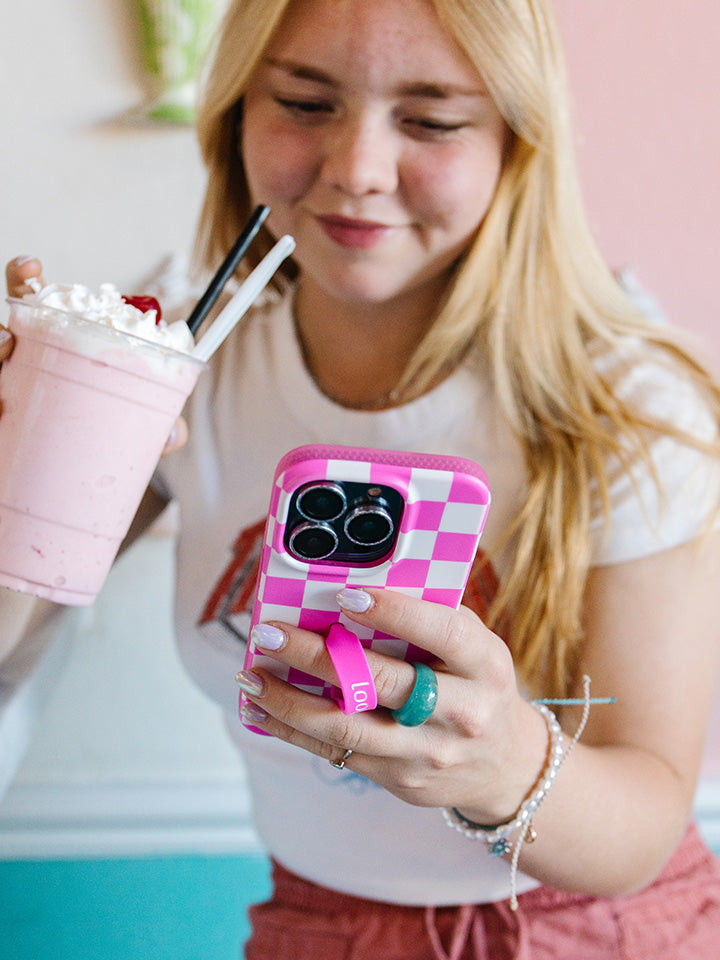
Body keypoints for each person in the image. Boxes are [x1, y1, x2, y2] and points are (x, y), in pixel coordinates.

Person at [4, 0, 720, 956]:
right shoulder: (181, 360)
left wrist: (498, 760)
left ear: (518, 140)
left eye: (429, 120)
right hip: (313, 920)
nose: (357, 170)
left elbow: (643, 829)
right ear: (234, 113)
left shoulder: (629, 406)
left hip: (590, 930)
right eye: (303, 102)